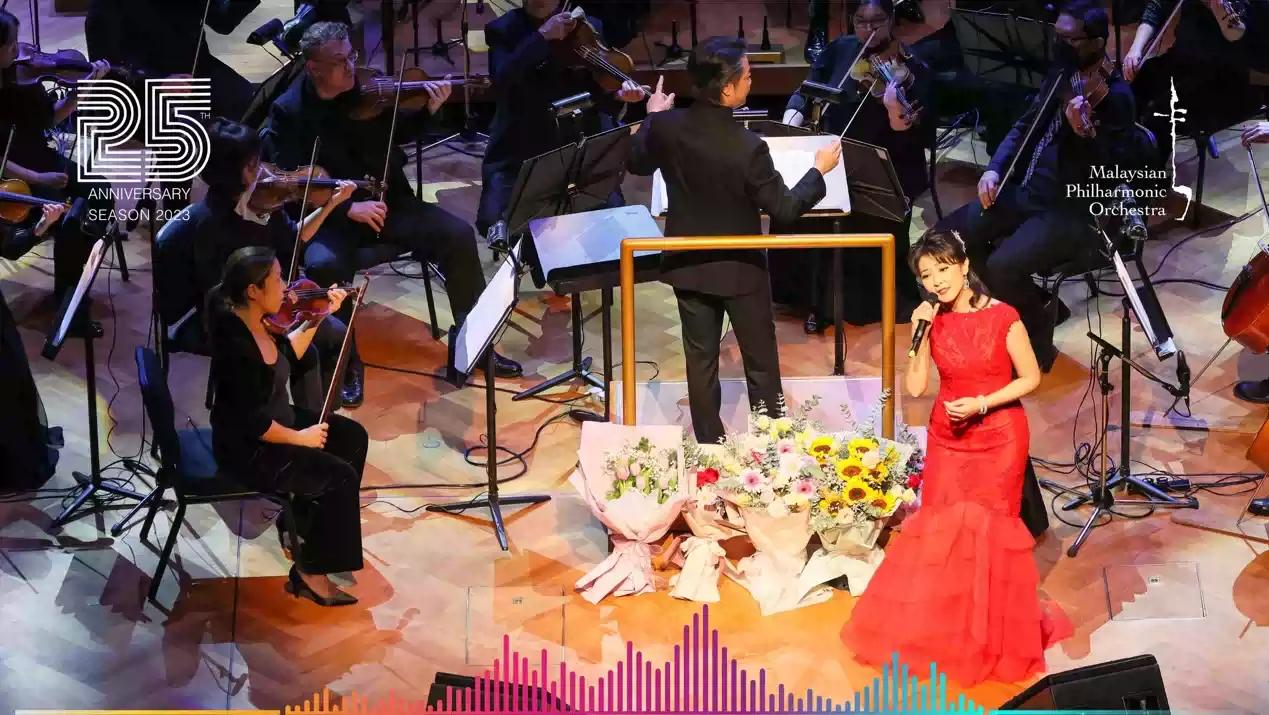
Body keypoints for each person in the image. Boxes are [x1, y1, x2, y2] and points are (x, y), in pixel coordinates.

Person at [841, 230, 1071, 685]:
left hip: (1000, 436)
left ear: (965, 266)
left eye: (943, 269)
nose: (937, 282)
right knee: (943, 529)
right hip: (949, 437)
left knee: (991, 532)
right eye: (927, 275)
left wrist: (983, 403)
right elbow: (915, 387)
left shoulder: (1004, 316)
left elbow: (1030, 378)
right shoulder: (933, 320)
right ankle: (950, 623)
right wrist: (920, 334)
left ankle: (990, 633)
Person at [261, 21, 523, 396]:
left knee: (458, 235)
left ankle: (476, 345)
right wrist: (345, 208)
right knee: (323, 266)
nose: (351, 66)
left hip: (389, 204)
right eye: (339, 61)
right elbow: (292, 184)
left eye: (351, 55)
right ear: (314, 67)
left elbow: (398, 134)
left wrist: (429, 110)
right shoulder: (288, 111)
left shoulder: (367, 90)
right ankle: (343, 363)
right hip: (332, 220)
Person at [626, 37, 841, 444]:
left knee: (700, 360)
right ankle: (772, 442)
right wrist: (819, 171)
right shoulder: (748, 147)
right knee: (760, 362)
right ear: (727, 89)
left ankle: (709, 443)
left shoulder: (665, 128)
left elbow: (636, 162)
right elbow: (785, 209)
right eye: (747, 75)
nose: (751, 80)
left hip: (687, 263)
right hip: (741, 270)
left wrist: (652, 116)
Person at [935, 0, 1137, 373]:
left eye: (1069, 40)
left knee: (1002, 266)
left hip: (1070, 209)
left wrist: (1085, 134)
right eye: (1057, 37)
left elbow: (1114, 169)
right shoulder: (1062, 74)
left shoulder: (1117, 97)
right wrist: (994, 169)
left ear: (1097, 41)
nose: (1059, 46)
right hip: (1027, 190)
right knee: (947, 239)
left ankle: (1036, 341)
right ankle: (1040, 305)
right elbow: (1025, 124)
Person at [156, 117, 358, 408]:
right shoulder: (209, 225)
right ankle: (301, 423)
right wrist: (276, 304)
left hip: (263, 300)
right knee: (307, 351)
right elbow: (221, 295)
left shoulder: (262, 200)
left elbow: (293, 237)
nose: (263, 170)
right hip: (224, 317)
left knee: (336, 334)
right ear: (229, 172)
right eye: (253, 165)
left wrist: (330, 205)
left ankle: (323, 419)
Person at [208, 246, 367, 607]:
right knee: (339, 477)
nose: (287, 287)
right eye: (278, 279)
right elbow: (252, 422)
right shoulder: (236, 346)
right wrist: (300, 438)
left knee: (352, 437)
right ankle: (311, 571)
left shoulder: (260, 322)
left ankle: (303, 530)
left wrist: (318, 317)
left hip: (277, 424)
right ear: (253, 290)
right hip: (251, 450)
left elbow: (286, 357)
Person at [775, 0, 930, 331]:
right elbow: (807, 88)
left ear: (891, 19)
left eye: (877, 21)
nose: (868, 29)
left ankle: (855, 304)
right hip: (836, 155)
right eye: (861, 21)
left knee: (861, 220)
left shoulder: (910, 65)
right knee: (800, 205)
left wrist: (893, 110)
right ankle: (813, 299)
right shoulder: (841, 49)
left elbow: (915, 132)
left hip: (888, 165)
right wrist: (791, 119)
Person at [477, 0, 644, 243]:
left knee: (611, 224)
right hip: (523, 149)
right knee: (493, 222)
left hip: (578, 150)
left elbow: (597, 97)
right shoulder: (504, 29)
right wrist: (541, 37)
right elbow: (502, 81)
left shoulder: (587, 28)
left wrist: (618, 97)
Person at [0, 9, 112, 319]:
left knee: (100, 192)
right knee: (65, 217)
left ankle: (74, 279)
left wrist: (81, 90)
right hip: (11, 178)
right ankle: (68, 303)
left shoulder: (20, 77)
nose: (18, 49)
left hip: (38, 158)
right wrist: (40, 178)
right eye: (10, 44)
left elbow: (49, 118)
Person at [1123, 0, 1269, 162]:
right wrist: (1136, 49)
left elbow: (1251, 50)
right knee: (1129, 92)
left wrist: (1223, 17)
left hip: (1227, 82)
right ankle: (1124, 153)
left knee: (1160, 115)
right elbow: (1157, 6)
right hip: (1183, 60)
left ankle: (1148, 171)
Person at [85, 0, 259, 122]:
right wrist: (158, 81)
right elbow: (105, 63)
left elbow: (223, 22)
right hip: (139, 85)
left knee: (248, 101)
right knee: (188, 123)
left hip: (193, 69)